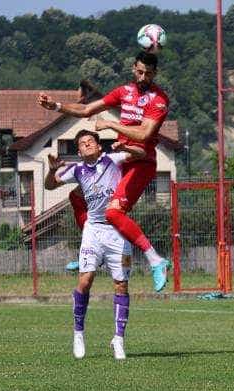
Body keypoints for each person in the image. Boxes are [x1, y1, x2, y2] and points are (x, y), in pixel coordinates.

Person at [37, 51, 170, 292]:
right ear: (133, 68)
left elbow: (145, 135)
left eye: (149, 74)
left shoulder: (158, 99)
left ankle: (156, 260)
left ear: (155, 74)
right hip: (122, 158)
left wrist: (110, 124)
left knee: (113, 213)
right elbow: (87, 110)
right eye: (140, 72)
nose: (143, 77)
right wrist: (55, 106)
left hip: (141, 162)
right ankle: (89, 249)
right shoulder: (123, 92)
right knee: (76, 196)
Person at [45, 130, 146, 360]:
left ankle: (118, 339)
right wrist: (52, 170)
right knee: (85, 279)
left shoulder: (113, 158)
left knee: (121, 284)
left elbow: (142, 153)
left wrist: (126, 148)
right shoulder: (77, 170)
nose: (87, 144)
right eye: (82, 143)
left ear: (99, 146)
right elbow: (50, 186)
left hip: (119, 230)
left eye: (91, 141)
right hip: (94, 231)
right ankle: (78, 333)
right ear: (79, 152)